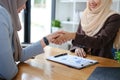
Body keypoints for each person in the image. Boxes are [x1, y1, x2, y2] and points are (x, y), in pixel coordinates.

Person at [0, 0, 60, 80]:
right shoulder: (2, 17)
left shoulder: (6, 15)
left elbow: (20, 55)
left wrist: (46, 40)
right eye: (23, 1)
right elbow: (9, 73)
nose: (24, 6)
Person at [53, 0, 120, 59]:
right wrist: (77, 48)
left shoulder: (114, 18)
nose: (91, 2)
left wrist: (73, 35)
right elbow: (77, 41)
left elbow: (100, 41)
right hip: (84, 60)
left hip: (103, 63)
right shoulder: (85, 15)